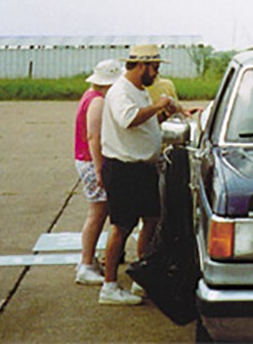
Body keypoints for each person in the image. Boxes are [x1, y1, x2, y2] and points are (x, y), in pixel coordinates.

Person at [98, 44, 180, 305]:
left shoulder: (139, 90)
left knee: (152, 220)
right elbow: (129, 119)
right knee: (121, 227)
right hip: (124, 169)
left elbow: (143, 123)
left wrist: (166, 114)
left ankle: (141, 277)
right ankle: (109, 286)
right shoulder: (120, 91)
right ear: (142, 66)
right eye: (155, 67)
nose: (156, 73)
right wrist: (158, 106)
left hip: (143, 168)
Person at [72, 59, 123, 285]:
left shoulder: (89, 95)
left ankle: (88, 259)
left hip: (86, 160)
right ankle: (85, 264)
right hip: (91, 161)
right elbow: (94, 137)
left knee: (98, 212)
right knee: (97, 213)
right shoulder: (98, 102)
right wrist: (101, 168)